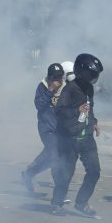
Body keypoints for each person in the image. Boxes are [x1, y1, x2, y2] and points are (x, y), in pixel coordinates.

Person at [51, 53, 104, 217]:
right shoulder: (70, 89)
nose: (93, 77)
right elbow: (59, 111)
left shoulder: (89, 88)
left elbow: (89, 108)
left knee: (94, 172)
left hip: (86, 138)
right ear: (80, 71)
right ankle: (57, 204)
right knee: (66, 173)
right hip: (69, 138)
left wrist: (94, 122)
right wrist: (76, 110)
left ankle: (81, 203)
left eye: (95, 75)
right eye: (90, 74)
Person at [21, 63, 65, 193]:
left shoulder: (66, 87)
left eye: (60, 77)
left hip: (60, 128)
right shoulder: (43, 86)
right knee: (54, 154)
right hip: (46, 127)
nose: (58, 80)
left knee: (52, 155)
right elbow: (39, 105)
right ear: (50, 78)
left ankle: (29, 173)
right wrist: (50, 90)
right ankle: (60, 191)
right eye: (55, 78)